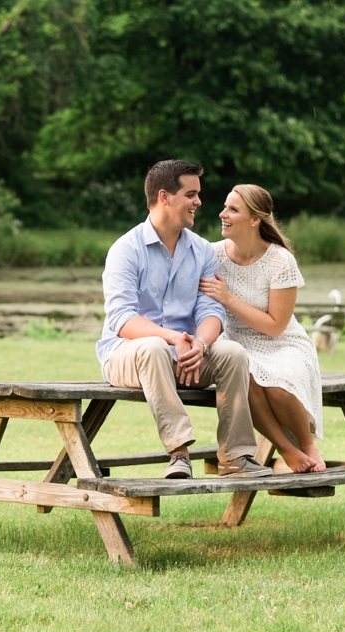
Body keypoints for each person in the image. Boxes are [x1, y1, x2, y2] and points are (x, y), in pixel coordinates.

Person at [97, 160, 273, 479]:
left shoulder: (203, 251)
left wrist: (201, 343)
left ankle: (236, 458)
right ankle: (178, 453)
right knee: (152, 346)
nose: (199, 202)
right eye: (191, 194)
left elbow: (211, 311)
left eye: (198, 194)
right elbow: (123, 320)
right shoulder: (125, 250)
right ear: (164, 197)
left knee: (232, 352)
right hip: (126, 354)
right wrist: (174, 338)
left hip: (185, 356)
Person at [199, 184, 326, 473]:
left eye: (233, 209)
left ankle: (307, 444)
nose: (222, 214)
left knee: (279, 386)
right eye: (225, 206)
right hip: (236, 340)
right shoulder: (212, 254)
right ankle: (288, 450)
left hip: (283, 342)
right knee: (249, 379)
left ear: (255, 219)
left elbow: (275, 326)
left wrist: (227, 298)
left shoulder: (280, 260)